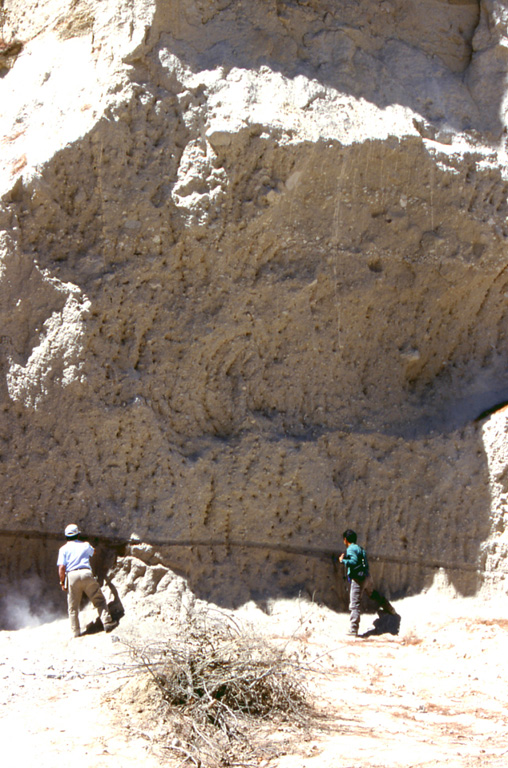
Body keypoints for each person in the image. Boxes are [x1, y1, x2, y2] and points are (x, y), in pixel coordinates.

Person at [57, 524, 117, 637]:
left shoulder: (63, 549)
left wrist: (62, 582)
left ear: (66, 536)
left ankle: (76, 632)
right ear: (78, 534)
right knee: (98, 599)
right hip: (86, 573)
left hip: (72, 576)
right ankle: (107, 622)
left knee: (73, 607)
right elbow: (93, 552)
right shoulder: (85, 545)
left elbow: (61, 568)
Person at [339, 528, 397, 636]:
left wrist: (343, 561)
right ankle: (390, 609)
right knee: (373, 594)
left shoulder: (351, 548)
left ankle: (353, 629)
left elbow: (354, 562)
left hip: (358, 579)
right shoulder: (360, 549)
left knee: (354, 604)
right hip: (367, 577)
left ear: (346, 539)